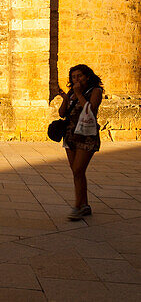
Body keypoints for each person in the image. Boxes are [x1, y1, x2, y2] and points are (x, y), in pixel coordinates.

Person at [58, 64, 103, 220]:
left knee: (78, 170)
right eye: (73, 76)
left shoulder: (95, 91)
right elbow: (62, 113)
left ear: (87, 77)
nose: (76, 79)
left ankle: (77, 206)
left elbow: (90, 110)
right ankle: (84, 205)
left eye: (80, 76)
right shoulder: (71, 92)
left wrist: (79, 94)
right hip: (71, 135)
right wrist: (66, 98)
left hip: (87, 136)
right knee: (77, 172)